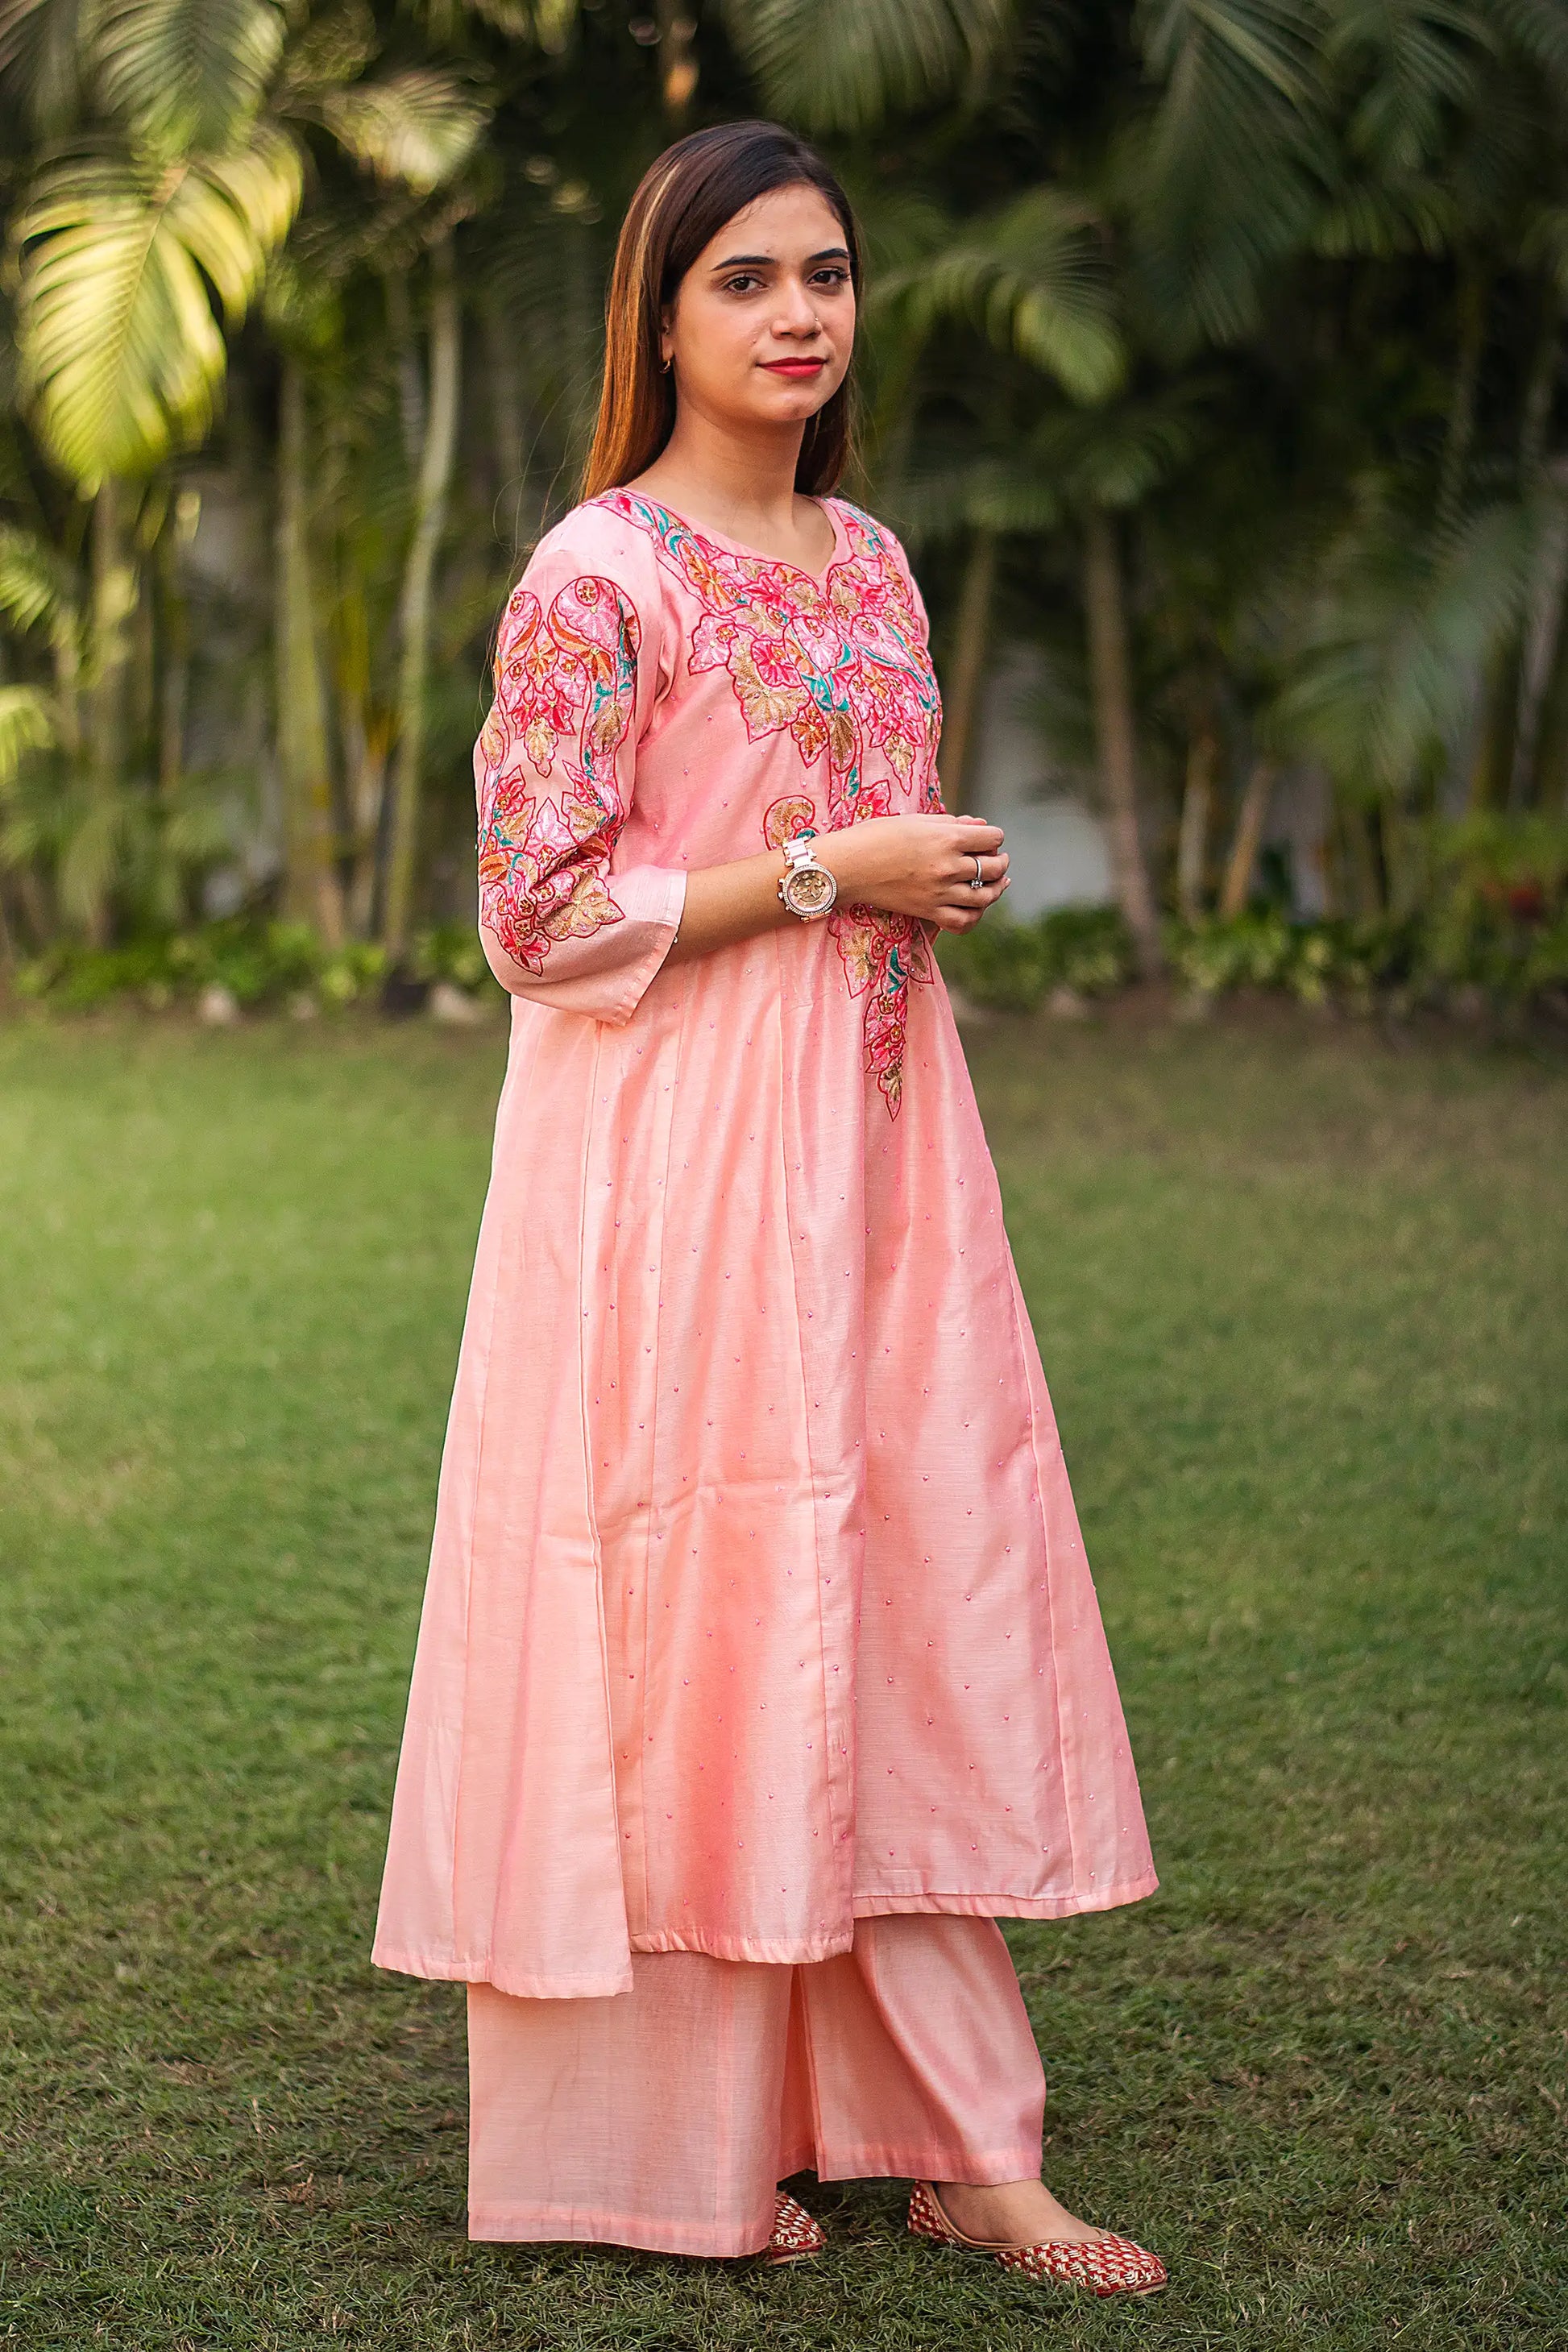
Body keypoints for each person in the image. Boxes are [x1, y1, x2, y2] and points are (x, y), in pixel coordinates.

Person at [373, 118, 1164, 2300]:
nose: (798, 312)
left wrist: (907, 882)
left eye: (823, 274)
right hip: (675, 1182)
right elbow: (533, 916)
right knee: (692, 1610)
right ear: (657, 314)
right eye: (745, 279)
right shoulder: (595, 577)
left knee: (901, 1593)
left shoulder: (871, 555)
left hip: (883, 1158)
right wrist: (831, 874)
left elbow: (854, 831)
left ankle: (958, 2136)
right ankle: (680, 2143)